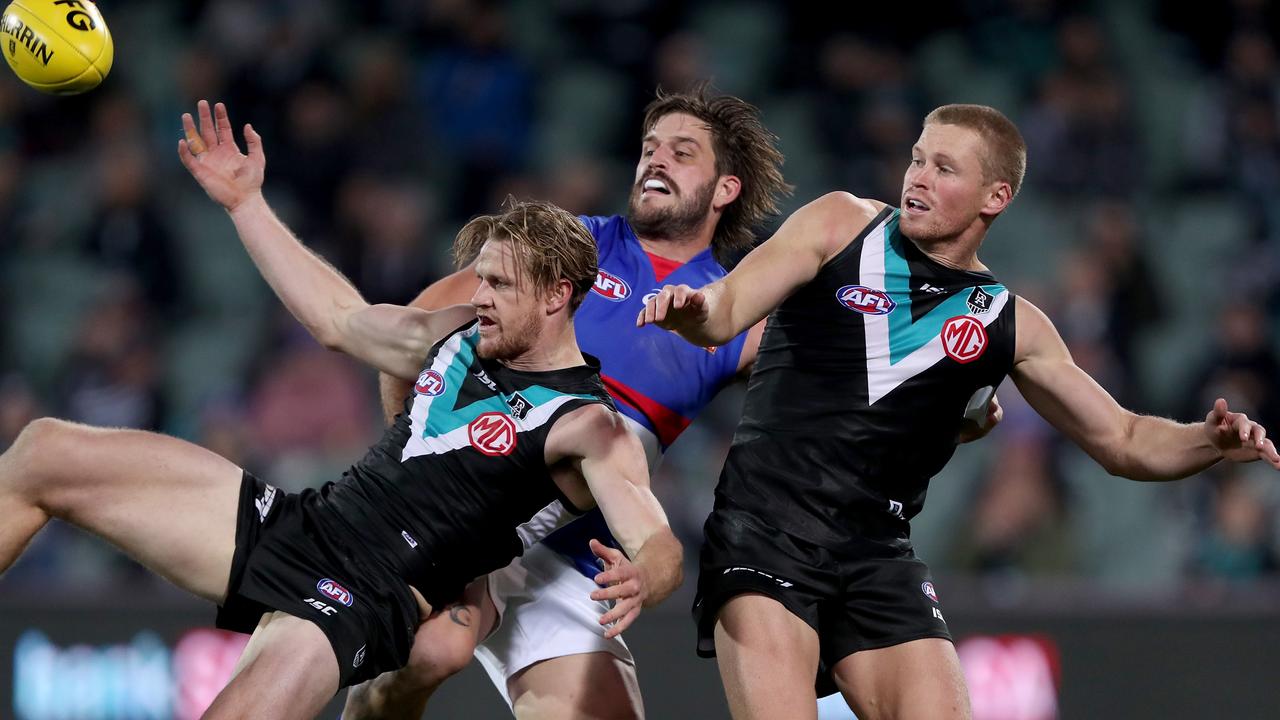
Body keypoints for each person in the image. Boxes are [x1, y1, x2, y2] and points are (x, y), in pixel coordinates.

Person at [0, 100, 684, 720]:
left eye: (500, 285)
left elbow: (658, 545)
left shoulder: (586, 422)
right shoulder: (454, 333)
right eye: (481, 278)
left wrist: (640, 579)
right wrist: (246, 205)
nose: (481, 296)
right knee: (44, 450)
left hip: (364, 595)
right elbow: (339, 318)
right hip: (306, 523)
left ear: (557, 295)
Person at [638, 103, 1280, 720]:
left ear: (993, 198)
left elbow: (1125, 439)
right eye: (918, 159)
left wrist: (1209, 442)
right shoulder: (839, 225)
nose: (917, 176)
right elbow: (725, 309)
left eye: (944, 168)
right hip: (766, 531)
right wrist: (697, 311)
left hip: (876, 556)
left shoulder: (1011, 323)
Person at [343, 86, 798, 720]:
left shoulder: (732, 313)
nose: (655, 160)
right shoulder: (571, 247)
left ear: (726, 188)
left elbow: (842, 381)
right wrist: (415, 463)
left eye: (682, 152)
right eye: (649, 148)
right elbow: (413, 328)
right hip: (472, 508)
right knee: (431, 653)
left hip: (571, 558)